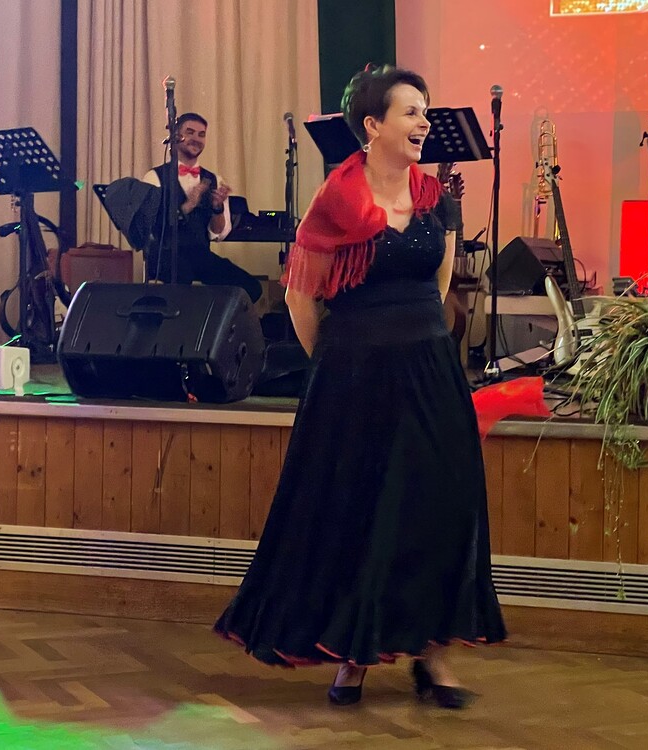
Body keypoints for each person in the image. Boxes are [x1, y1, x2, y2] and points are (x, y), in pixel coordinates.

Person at [214, 65, 506, 708]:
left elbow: (440, 285)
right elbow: (300, 298)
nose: (424, 123)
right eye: (411, 112)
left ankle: (433, 656)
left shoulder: (436, 197)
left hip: (429, 371)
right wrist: (337, 365)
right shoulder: (334, 201)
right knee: (357, 510)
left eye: (424, 111)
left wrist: (417, 339)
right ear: (373, 125)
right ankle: (353, 655)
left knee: (438, 509)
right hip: (353, 374)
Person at [142, 113, 263, 303]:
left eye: (201, 134)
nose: (196, 139)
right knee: (181, 283)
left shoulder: (214, 180)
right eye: (190, 132)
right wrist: (188, 205)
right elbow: (150, 227)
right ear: (176, 136)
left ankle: (218, 321)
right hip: (164, 256)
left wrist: (217, 209)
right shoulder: (154, 177)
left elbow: (218, 234)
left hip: (199, 254)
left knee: (250, 288)